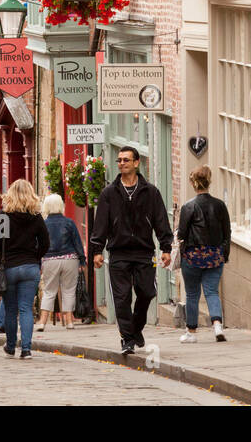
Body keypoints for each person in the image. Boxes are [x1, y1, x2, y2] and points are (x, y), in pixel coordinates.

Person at [89, 146, 173, 356]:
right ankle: (127, 338)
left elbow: (160, 220)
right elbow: (101, 224)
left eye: (126, 160)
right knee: (122, 297)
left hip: (144, 252)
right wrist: (97, 250)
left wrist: (166, 247)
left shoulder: (150, 192)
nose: (122, 163)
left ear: (136, 163)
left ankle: (136, 328)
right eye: (119, 160)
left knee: (147, 292)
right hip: (119, 253)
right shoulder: (109, 193)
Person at [0, 179, 48, 359]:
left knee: (11, 309)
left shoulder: (4, 216)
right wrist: (35, 258)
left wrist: (1, 258)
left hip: (10, 267)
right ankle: (26, 349)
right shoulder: (36, 217)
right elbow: (45, 243)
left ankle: (10, 346)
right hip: (30, 267)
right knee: (26, 309)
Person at [175, 166, 231, 343]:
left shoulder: (188, 207)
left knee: (192, 294)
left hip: (193, 256)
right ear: (210, 181)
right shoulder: (220, 205)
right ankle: (217, 326)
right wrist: (223, 253)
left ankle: (191, 332)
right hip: (214, 255)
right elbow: (226, 232)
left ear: (193, 183)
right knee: (212, 291)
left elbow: (182, 234)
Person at [38, 193, 84, 331]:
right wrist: (82, 260)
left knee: (49, 291)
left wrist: (38, 263)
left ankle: (42, 322)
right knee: (69, 290)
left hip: (50, 260)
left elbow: (39, 245)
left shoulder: (43, 224)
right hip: (69, 259)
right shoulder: (69, 223)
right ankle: (69, 321)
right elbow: (77, 242)